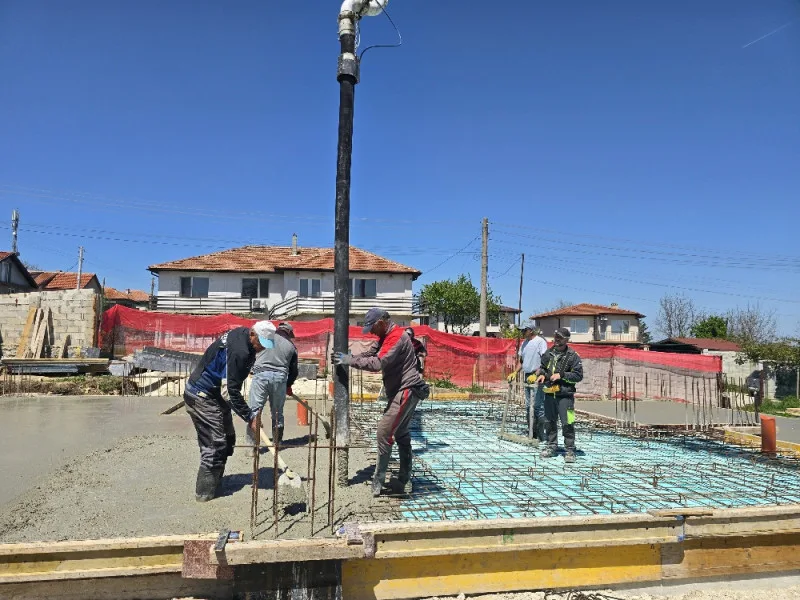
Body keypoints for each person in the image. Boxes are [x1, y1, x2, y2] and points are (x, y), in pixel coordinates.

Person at [333, 308, 430, 497]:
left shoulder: (396, 337)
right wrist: (349, 357)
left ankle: (379, 482)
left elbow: (377, 363)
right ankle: (404, 481)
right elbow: (370, 353)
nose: (371, 332)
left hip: (406, 390)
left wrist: (349, 361)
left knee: (383, 433)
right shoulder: (385, 336)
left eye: (372, 327)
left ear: (381, 322)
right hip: (403, 390)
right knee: (401, 433)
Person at [184, 322, 270, 502]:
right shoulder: (240, 351)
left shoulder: (243, 335)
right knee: (215, 445)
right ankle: (204, 493)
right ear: (253, 334)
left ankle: (217, 482)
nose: (262, 348)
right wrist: (250, 417)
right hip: (202, 395)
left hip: (215, 394)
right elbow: (229, 392)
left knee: (228, 439)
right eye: (261, 343)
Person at [534, 327, 584, 463]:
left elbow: (578, 375)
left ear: (566, 340)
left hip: (565, 396)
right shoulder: (548, 353)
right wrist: (542, 375)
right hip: (550, 394)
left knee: (568, 422)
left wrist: (561, 375)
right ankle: (551, 446)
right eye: (556, 336)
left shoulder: (573, 356)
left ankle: (570, 450)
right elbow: (543, 368)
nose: (557, 339)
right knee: (549, 422)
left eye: (560, 337)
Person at [246, 321, 299, 448]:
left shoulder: (264, 337)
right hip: (280, 379)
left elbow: (250, 353)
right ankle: (277, 443)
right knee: (277, 413)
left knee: (255, 411)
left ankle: (252, 447)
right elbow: (294, 371)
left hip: (261, 376)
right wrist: (288, 385)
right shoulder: (291, 346)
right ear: (289, 332)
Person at [507, 327, 548, 442]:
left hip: (537, 376)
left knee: (538, 406)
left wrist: (536, 374)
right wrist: (515, 372)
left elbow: (545, 361)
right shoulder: (524, 343)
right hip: (527, 376)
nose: (522, 332)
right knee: (529, 406)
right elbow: (521, 361)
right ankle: (532, 433)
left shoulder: (540, 342)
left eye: (524, 330)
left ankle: (541, 435)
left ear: (531, 331)